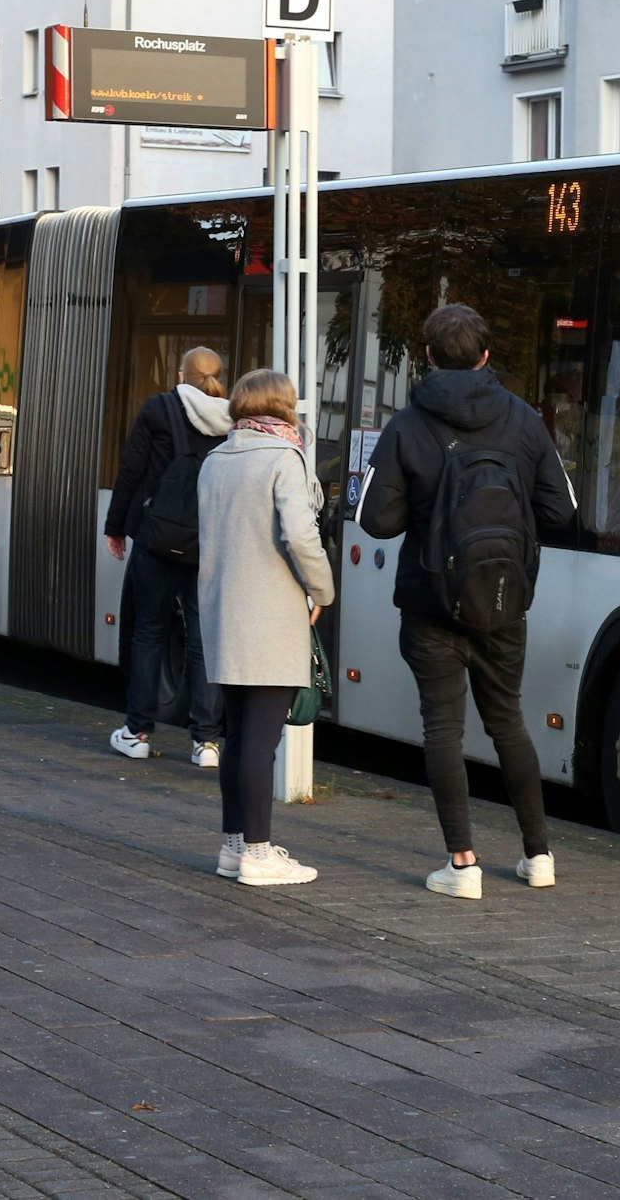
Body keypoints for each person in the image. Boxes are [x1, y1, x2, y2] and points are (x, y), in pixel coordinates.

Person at [360, 303, 577, 900]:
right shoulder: (525, 420)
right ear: (486, 356)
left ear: (427, 356)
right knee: (508, 721)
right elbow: (562, 513)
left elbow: (375, 519)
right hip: (505, 600)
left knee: (443, 730)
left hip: (431, 603)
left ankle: (462, 865)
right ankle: (539, 856)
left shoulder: (407, 424)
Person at [197, 369, 335, 887]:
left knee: (237, 735)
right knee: (261, 738)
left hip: (223, 611)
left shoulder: (216, 459)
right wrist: (323, 589)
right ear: (283, 408)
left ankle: (234, 845)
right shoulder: (284, 458)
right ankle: (258, 852)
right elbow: (300, 536)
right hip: (271, 614)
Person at [105, 347, 233, 766]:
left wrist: (116, 528)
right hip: (206, 543)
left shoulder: (159, 409)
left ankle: (137, 733)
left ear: (181, 374)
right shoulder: (232, 417)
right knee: (202, 639)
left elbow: (131, 469)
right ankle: (207, 742)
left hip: (156, 539)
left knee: (149, 632)